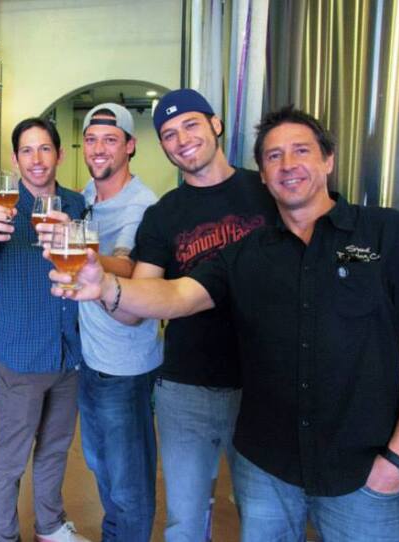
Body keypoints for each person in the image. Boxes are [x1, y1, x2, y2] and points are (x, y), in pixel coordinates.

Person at [52, 106, 399, 541]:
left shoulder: (391, 235)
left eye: (301, 151)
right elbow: (177, 294)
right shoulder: (248, 251)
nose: (288, 165)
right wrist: (104, 287)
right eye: (273, 157)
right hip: (267, 467)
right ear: (264, 177)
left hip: (362, 469)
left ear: (328, 160)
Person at [135, 89, 277, 540]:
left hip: (263, 383)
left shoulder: (268, 188)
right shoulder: (163, 214)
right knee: (185, 520)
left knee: (267, 517)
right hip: (185, 388)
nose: (182, 140)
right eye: (169, 134)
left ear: (216, 125)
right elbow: (143, 291)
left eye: (191, 125)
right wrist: (101, 284)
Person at [0, 118, 90, 542]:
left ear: (59, 154)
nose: (36, 159)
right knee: (12, 454)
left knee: (55, 447)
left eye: (44, 149)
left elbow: (91, 267)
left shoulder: (75, 204)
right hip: (20, 349)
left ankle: (49, 526)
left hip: (69, 349)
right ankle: (2, 536)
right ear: (15, 159)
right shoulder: (2, 207)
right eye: (27, 151)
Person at [75, 103, 162, 541]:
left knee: (129, 484)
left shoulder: (145, 206)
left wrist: (85, 257)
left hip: (125, 367)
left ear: (130, 146)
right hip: (90, 360)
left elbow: (128, 266)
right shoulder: (86, 196)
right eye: (91, 139)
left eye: (110, 139)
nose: (98, 148)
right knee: (102, 469)